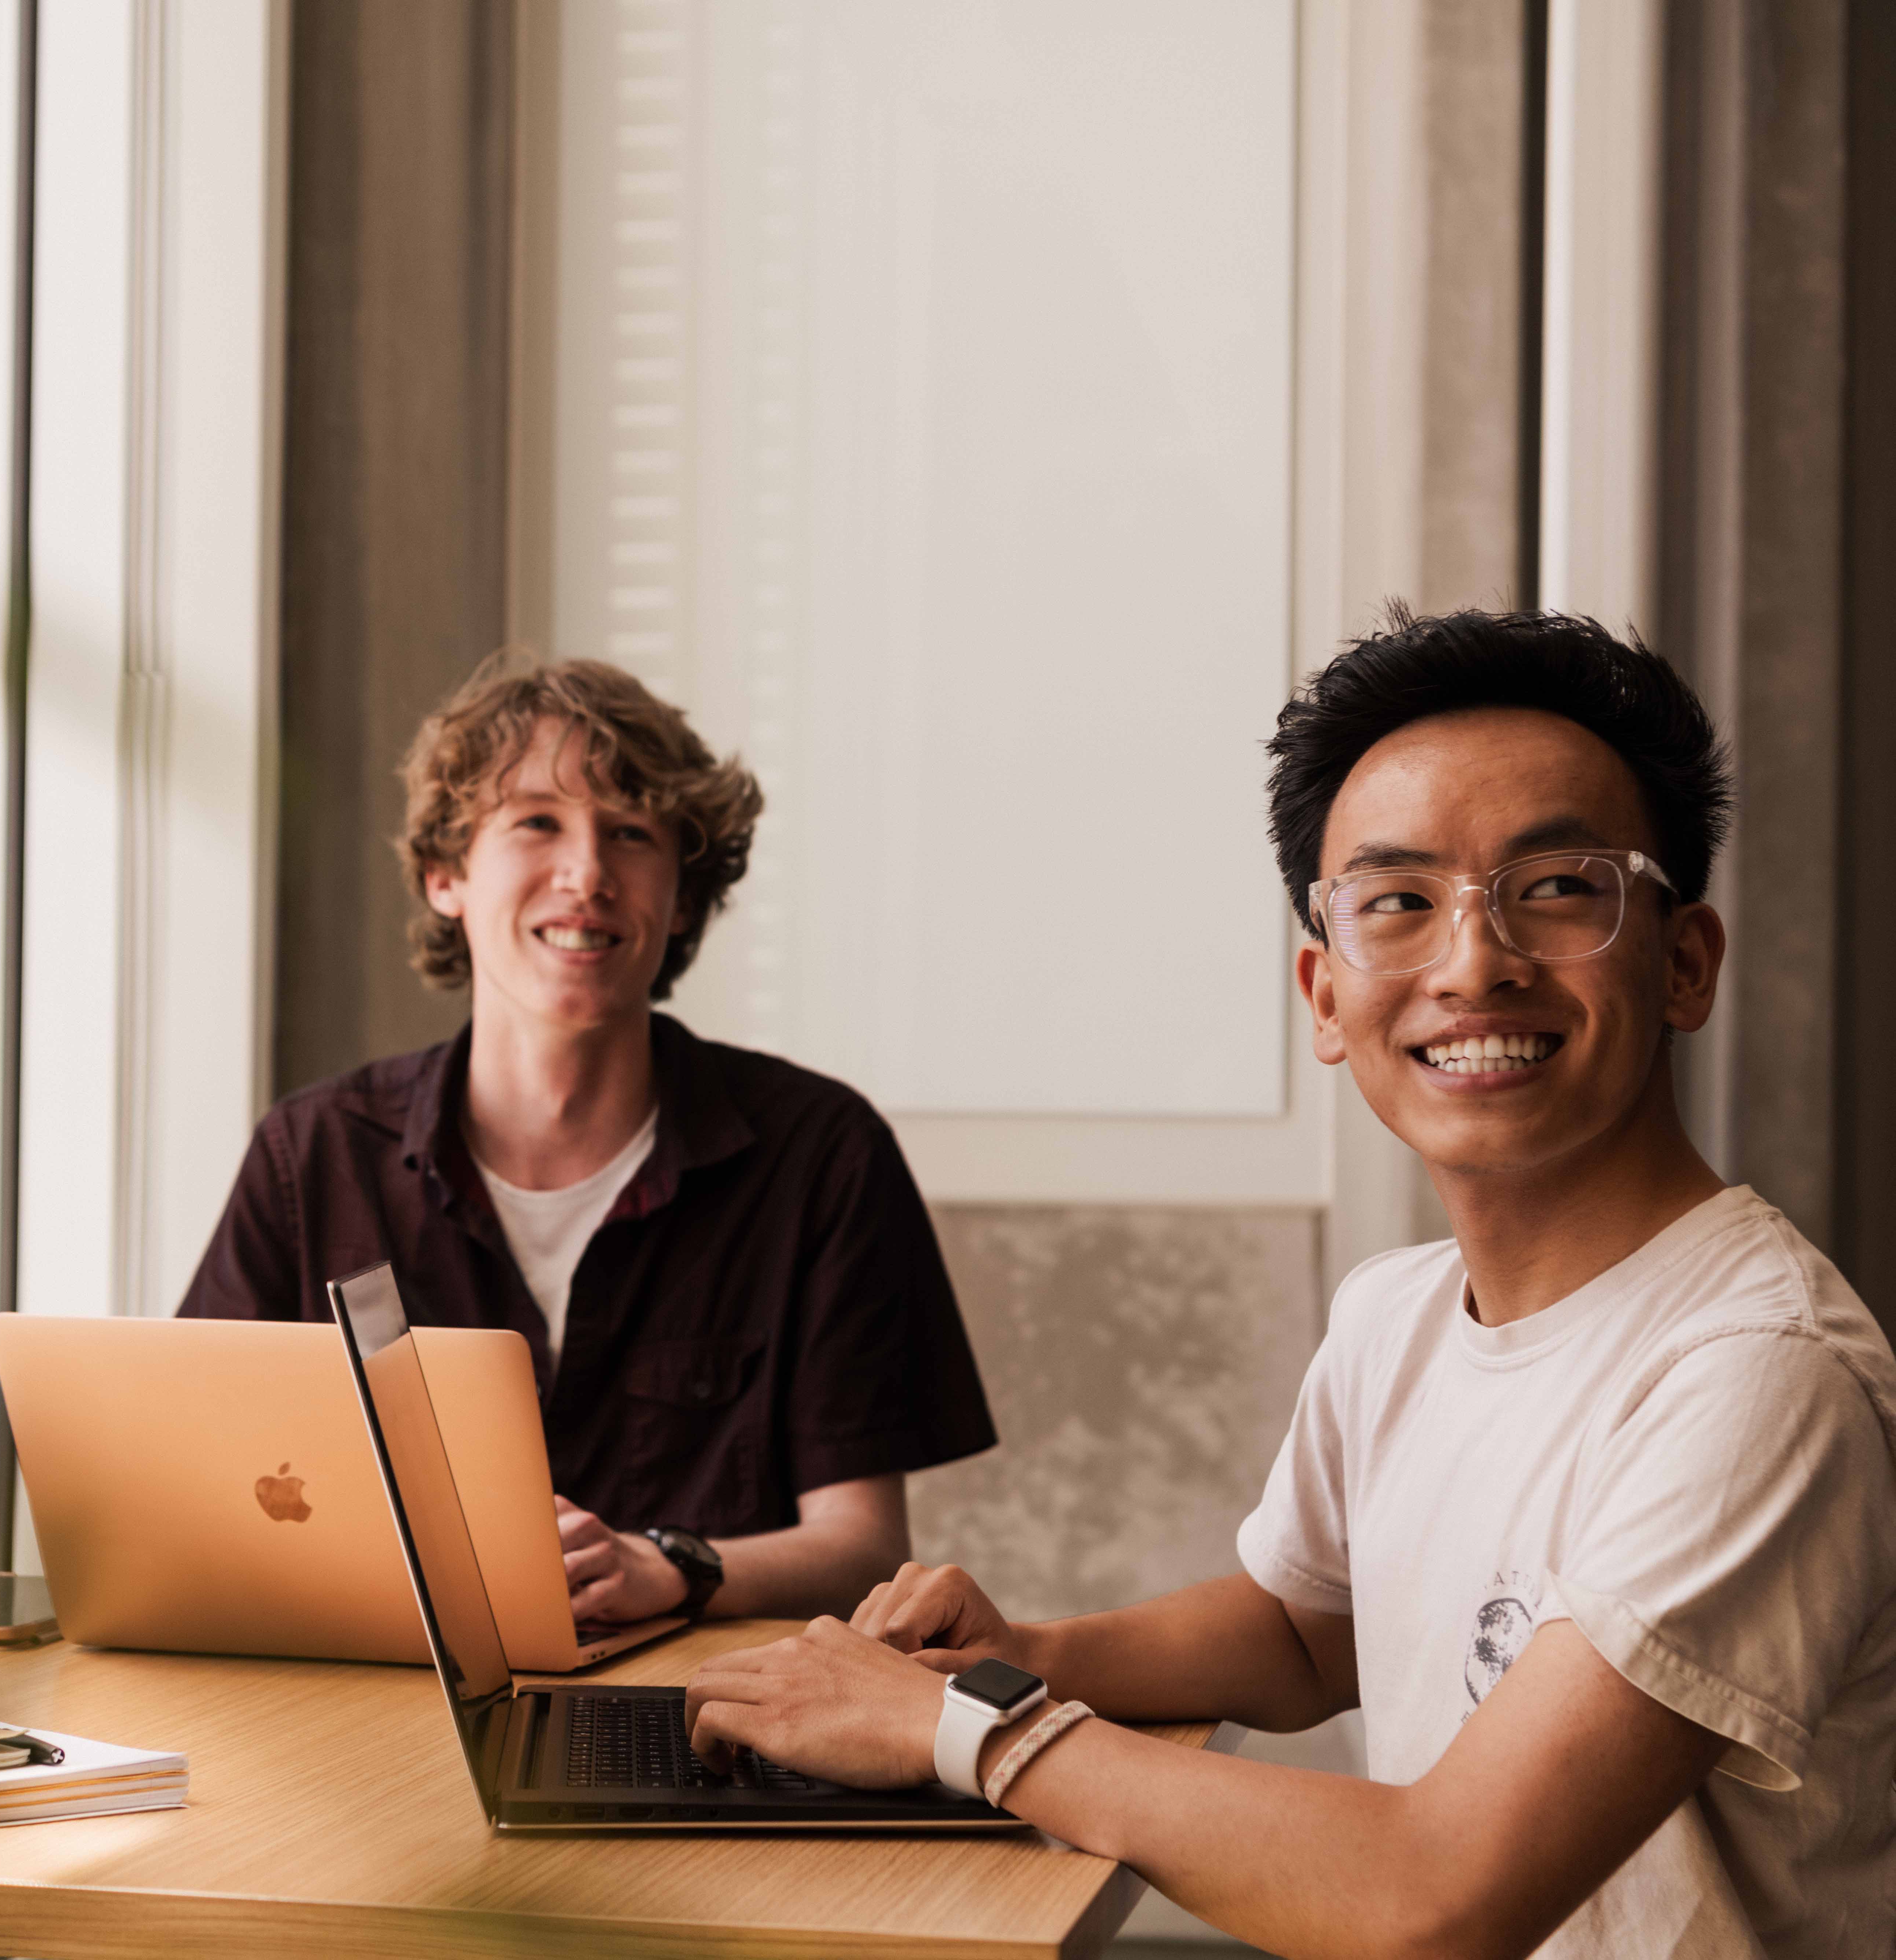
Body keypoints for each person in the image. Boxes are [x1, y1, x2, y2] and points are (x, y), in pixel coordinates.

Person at [682, 610, 1896, 1958]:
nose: (1474, 961)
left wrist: (973, 1731)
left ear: (1685, 963)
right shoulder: (1399, 1316)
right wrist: (1024, 1653)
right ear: (1325, 996)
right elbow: (1305, 1630)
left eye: (1558, 887)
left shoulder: (1759, 1375)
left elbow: (1441, 1897)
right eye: (1400, 903)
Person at [181, 651, 996, 1626]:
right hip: (385, 1702)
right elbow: (201, 1496)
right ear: (446, 874)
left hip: (704, 1724)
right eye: (537, 823)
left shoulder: (823, 1153)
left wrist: (675, 1568)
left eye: (631, 834)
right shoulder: (310, 1157)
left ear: (683, 899)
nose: (588, 874)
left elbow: (863, 1549)